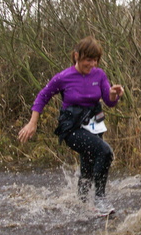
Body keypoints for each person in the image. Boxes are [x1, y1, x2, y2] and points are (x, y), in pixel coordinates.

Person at [18, 36, 124, 215]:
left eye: (95, 60)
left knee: (89, 164)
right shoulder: (64, 77)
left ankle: (82, 203)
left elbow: (109, 101)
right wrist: (32, 123)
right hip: (71, 128)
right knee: (105, 152)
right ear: (76, 56)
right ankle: (100, 199)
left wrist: (114, 94)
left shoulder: (99, 75)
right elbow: (43, 96)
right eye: (87, 59)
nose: (92, 64)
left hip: (93, 123)